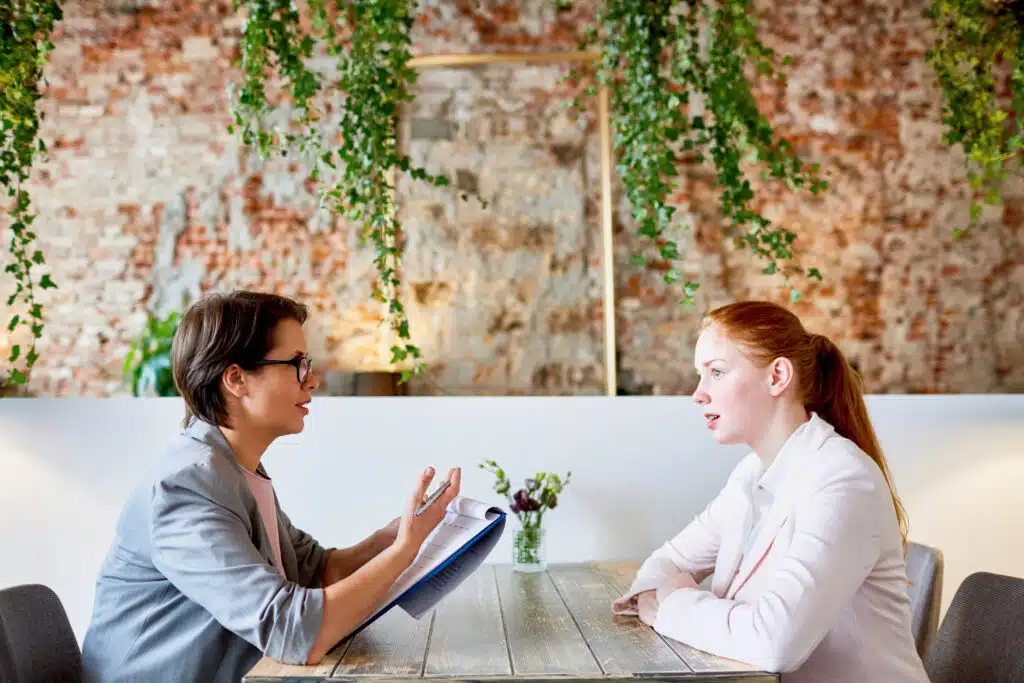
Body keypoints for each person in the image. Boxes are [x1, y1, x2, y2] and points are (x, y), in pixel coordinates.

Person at [81, 290, 461, 683]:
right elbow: (294, 633)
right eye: (297, 364)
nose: (312, 380)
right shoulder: (186, 489)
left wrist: (392, 535)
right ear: (236, 379)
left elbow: (316, 571)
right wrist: (404, 551)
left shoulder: (238, 470)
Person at [612, 300, 929, 682]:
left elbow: (774, 643)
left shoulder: (843, 481)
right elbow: (661, 567)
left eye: (716, 372)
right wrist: (680, 602)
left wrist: (675, 604)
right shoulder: (750, 476)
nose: (698, 393)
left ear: (777, 376)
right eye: (701, 374)